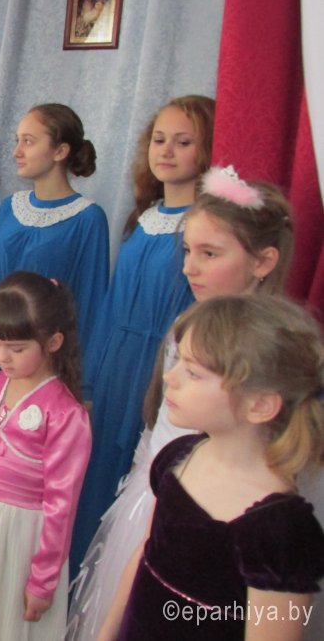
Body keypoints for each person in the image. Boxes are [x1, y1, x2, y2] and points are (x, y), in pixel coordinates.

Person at [67, 166, 293, 639]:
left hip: (216, 514)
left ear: (263, 261)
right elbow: (160, 423)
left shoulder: (269, 354)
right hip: (158, 492)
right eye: (188, 251)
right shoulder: (185, 326)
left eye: (209, 253)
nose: (189, 267)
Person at [99, 295, 324, 640]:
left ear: (260, 405)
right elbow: (145, 556)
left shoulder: (279, 530)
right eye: (178, 362)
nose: (170, 377)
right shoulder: (179, 457)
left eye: (193, 372)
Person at [70, 95, 215, 572]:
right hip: (117, 365)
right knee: (96, 480)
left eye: (183, 142)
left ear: (208, 150)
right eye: (158, 139)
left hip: (160, 370)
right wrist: (89, 380)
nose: (166, 151)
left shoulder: (206, 227)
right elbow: (111, 305)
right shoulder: (143, 218)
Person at [0, 272, 90, 640]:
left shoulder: (65, 414)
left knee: (10, 623)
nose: (3, 356)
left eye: (17, 348)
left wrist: (43, 581)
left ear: (53, 342)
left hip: (24, 535)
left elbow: (61, 505)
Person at [0, 103, 108, 373]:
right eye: (17, 140)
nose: (17, 151)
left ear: (60, 151)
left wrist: (79, 376)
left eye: (28, 141)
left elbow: (90, 303)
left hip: (46, 359)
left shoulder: (87, 218)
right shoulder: (10, 207)